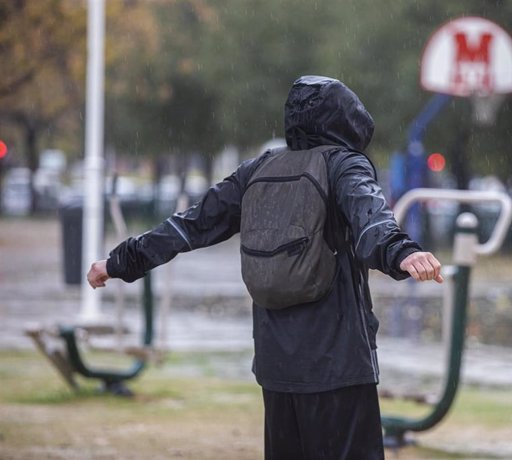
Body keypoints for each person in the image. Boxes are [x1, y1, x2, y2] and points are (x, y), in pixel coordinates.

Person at [88, 75, 443, 460]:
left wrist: (117, 262)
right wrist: (401, 251)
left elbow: (190, 225)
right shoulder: (344, 164)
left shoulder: (258, 169)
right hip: (337, 361)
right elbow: (371, 218)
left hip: (276, 364)